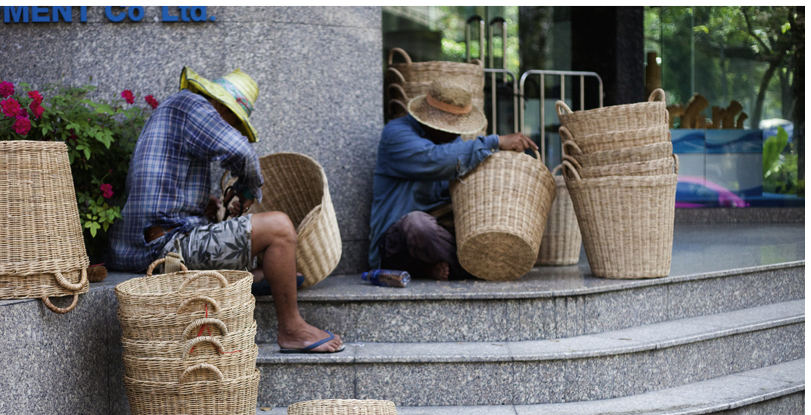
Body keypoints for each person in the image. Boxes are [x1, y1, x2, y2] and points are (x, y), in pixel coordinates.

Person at [108, 67, 343, 353]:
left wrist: (207, 206)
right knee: (280, 228)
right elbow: (242, 153)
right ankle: (292, 330)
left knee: (270, 261)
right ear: (219, 104)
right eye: (234, 121)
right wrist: (247, 191)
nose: (231, 129)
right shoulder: (191, 103)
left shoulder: (177, 112)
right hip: (159, 250)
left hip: (146, 244)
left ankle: (259, 277)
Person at [369, 79, 539, 281]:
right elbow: (434, 158)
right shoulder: (396, 134)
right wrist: (496, 141)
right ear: (430, 120)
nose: (457, 133)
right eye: (452, 126)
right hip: (395, 244)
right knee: (417, 225)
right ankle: (478, 268)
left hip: (438, 234)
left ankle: (437, 269)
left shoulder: (452, 142)